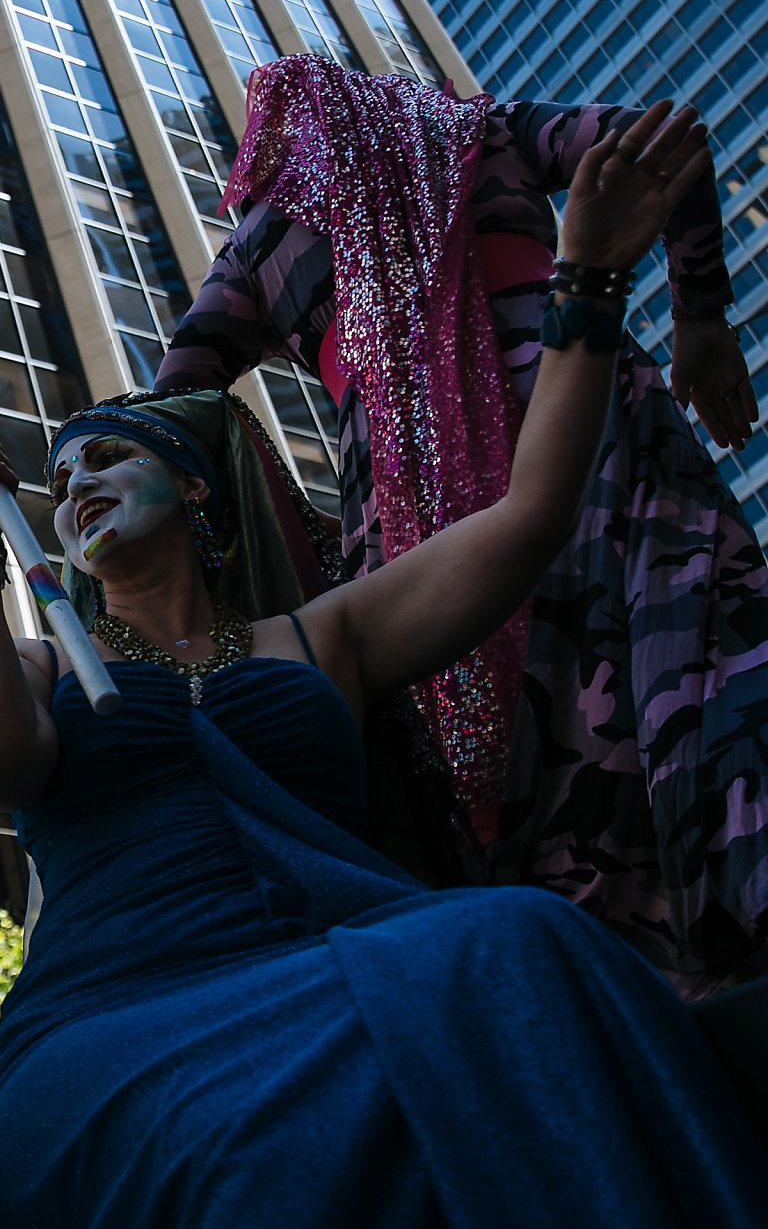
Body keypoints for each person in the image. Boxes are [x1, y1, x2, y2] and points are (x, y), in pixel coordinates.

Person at [0, 106, 765, 1225]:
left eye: (108, 457)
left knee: (516, 936)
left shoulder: (320, 636)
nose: (74, 485)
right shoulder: (46, 665)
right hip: (112, 1012)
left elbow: (525, 517)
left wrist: (588, 283)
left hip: (342, 962)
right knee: (283, 1117)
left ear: (191, 488)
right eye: (60, 475)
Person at [154, 56, 767, 994]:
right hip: (582, 409)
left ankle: (594, 977)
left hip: (410, 503)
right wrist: (701, 318)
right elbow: (661, 143)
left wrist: (276, 550)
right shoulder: (480, 130)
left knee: (521, 737)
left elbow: (167, 415)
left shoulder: (260, 244)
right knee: (683, 651)